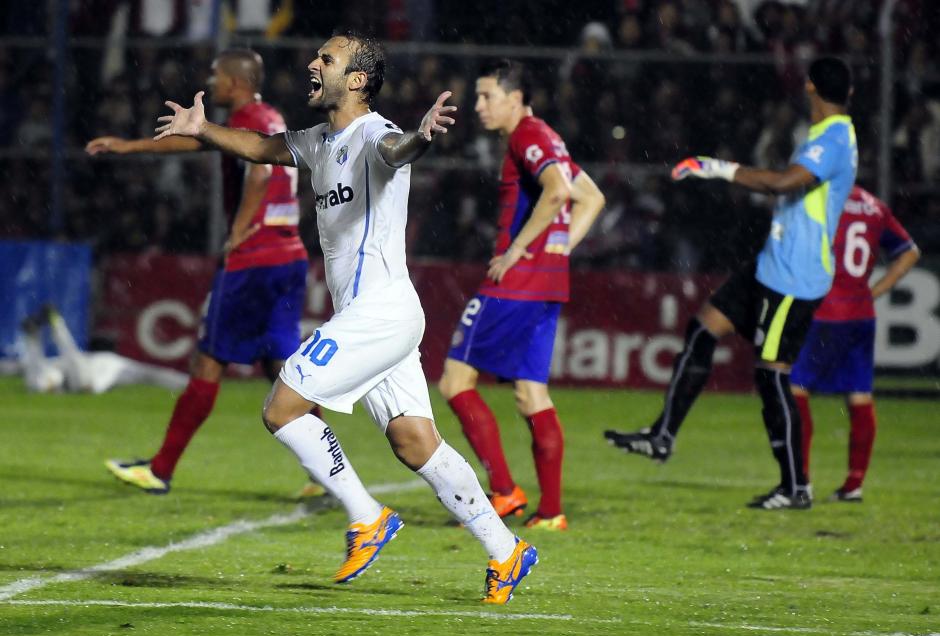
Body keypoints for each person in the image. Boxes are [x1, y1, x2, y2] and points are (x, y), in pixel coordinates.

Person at [152, 30, 537, 604]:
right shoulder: (316, 140)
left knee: (282, 407)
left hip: (379, 312)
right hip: (383, 315)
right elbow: (261, 147)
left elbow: (395, 150)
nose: (313, 64)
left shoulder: (373, 133)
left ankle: (366, 516)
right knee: (413, 441)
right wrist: (203, 129)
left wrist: (423, 138)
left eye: (326, 59)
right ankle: (506, 551)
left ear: (356, 80)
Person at [604, 57, 858, 510]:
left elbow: (785, 183)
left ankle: (795, 486)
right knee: (703, 328)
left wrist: (718, 168)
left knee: (771, 375)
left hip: (796, 280)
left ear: (810, 86)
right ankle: (663, 435)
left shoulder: (835, 137)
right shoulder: (827, 134)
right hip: (770, 266)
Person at [86, 49, 318, 497]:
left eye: (216, 76)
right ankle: (325, 472)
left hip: (255, 256)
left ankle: (161, 468)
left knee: (209, 360)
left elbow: (258, 174)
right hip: (289, 252)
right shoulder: (269, 114)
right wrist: (131, 146)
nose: (212, 82)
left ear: (234, 81)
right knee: (284, 369)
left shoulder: (248, 114)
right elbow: (198, 141)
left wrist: (237, 230)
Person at [438, 59, 605, 531]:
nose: (478, 105)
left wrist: (517, 251)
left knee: (455, 382)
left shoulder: (526, 135)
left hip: (514, 284)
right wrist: (558, 251)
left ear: (515, 98)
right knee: (532, 394)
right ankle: (551, 512)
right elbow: (590, 198)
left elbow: (557, 193)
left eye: (486, 96)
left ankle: (505, 491)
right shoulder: (548, 136)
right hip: (547, 281)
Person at [791, 186, 920, 502]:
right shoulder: (874, 206)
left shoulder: (818, 201)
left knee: (793, 389)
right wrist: (876, 290)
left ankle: (800, 480)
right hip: (860, 313)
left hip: (822, 311)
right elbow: (910, 252)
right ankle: (854, 483)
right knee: (859, 395)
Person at [19, 305, 187, 394]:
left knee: (39, 380)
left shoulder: (105, 360)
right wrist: (189, 383)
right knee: (71, 368)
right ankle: (54, 326)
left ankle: (36, 335)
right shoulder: (115, 362)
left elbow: (20, 366)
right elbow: (153, 373)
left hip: (68, 376)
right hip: (80, 380)